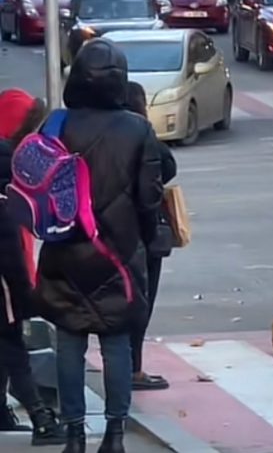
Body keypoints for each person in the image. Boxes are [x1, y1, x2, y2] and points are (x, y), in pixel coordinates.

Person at [30, 39, 164, 453]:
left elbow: (35, 184)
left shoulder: (55, 124)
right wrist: (143, 239)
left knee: (70, 340)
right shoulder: (137, 128)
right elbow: (149, 197)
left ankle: (73, 434)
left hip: (65, 248)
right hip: (119, 254)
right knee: (116, 342)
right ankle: (115, 434)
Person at [0, 89, 67, 446]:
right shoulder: (8, 176)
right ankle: (42, 419)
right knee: (13, 347)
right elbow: (9, 247)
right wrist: (24, 292)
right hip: (4, 283)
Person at [123, 82, 176, 392]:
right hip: (143, 234)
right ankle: (132, 370)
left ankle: (125, 368)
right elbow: (167, 167)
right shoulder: (142, 136)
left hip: (105, 233)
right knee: (140, 304)